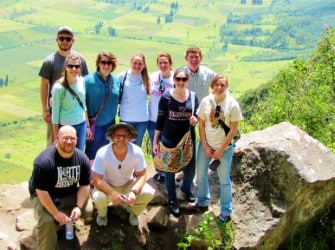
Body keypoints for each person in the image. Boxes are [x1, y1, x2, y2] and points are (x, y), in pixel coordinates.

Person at [186, 75, 243, 222]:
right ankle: (202, 201)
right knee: (201, 175)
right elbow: (202, 123)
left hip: (224, 148)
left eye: (222, 85)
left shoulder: (232, 105)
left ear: (226, 87)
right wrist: (204, 145)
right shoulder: (206, 101)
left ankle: (225, 210)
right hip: (206, 145)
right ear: (212, 86)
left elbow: (233, 130)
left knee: (224, 180)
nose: (219, 87)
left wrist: (220, 150)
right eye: (217, 84)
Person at [29, 125, 93, 250]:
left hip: (68, 194)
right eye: (65, 138)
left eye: (72, 138)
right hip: (45, 196)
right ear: (57, 138)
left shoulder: (82, 158)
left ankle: (64, 220)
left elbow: (85, 185)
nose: (69, 142)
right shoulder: (44, 161)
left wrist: (78, 207)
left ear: (76, 139)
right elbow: (41, 192)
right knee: (48, 221)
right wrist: (56, 213)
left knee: (88, 208)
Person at [153, 68, 199, 217]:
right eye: (177, 79)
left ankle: (186, 189)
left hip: (188, 140)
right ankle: (172, 199)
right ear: (174, 80)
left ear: (188, 80)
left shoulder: (192, 97)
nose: (180, 82)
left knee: (190, 169)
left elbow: (196, 115)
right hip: (169, 139)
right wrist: (155, 142)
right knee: (170, 171)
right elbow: (160, 121)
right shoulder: (166, 97)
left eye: (183, 79)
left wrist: (195, 120)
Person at [91, 123, 155, 227]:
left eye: (125, 136)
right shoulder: (102, 153)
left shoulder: (136, 151)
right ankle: (102, 214)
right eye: (117, 135)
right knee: (98, 197)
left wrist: (134, 192)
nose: (121, 139)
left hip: (127, 184)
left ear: (129, 137)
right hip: (107, 186)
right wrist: (113, 193)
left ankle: (134, 213)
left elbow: (142, 175)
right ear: (112, 136)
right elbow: (97, 179)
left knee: (149, 193)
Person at [39, 26, 89, 147]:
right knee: (55, 145)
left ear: (73, 40)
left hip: (77, 115)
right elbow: (44, 86)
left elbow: (85, 84)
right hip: (56, 112)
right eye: (62, 38)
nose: (65, 41)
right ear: (57, 39)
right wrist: (45, 109)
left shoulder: (80, 59)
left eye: (68, 38)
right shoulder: (49, 61)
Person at [85, 51, 120, 166]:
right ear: (98, 63)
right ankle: (90, 178)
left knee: (104, 151)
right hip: (94, 124)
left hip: (110, 123)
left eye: (109, 62)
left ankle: (100, 175)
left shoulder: (116, 81)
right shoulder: (88, 81)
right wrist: (87, 126)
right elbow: (82, 105)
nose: (106, 65)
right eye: (103, 62)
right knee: (91, 151)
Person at [51, 54, 91, 151]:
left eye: (77, 66)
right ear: (65, 67)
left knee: (79, 155)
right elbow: (55, 115)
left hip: (81, 124)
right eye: (70, 66)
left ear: (80, 68)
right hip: (65, 127)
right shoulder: (58, 88)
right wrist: (57, 136)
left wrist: (87, 126)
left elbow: (83, 105)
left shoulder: (82, 81)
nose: (74, 69)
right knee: (65, 155)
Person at [148, 53, 175, 183]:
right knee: (155, 146)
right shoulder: (152, 77)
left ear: (171, 64)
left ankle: (168, 172)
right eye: (160, 63)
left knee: (167, 147)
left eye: (166, 62)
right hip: (153, 118)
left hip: (169, 121)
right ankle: (159, 171)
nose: (163, 65)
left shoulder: (176, 78)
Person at [117, 53, 150, 147]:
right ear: (131, 63)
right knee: (125, 146)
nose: (137, 66)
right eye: (135, 63)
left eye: (140, 64)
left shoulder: (147, 78)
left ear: (144, 65)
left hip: (142, 120)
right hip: (126, 119)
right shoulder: (122, 76)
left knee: (137, 147)